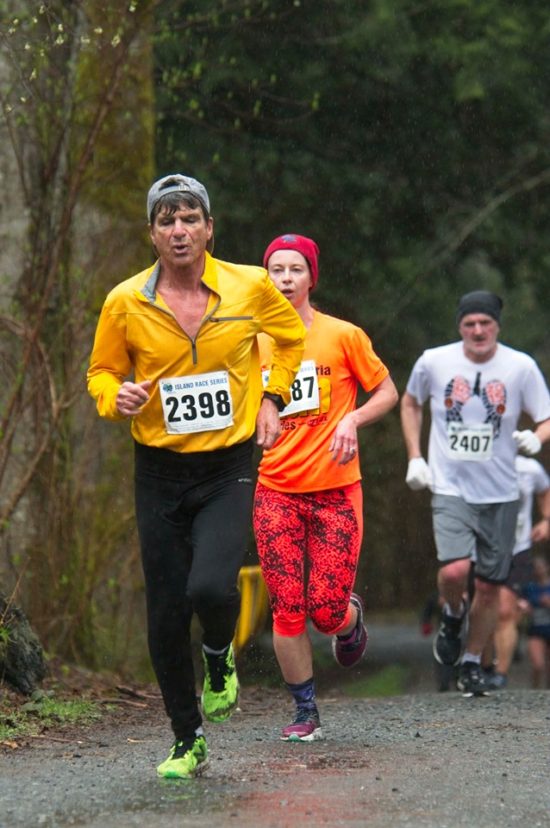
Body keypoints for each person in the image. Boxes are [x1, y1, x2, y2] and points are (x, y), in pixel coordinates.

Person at [87, 175, 305, 778]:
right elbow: (101, 373)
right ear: (152, 234)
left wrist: (271, 397)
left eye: (189, 219)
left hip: (228, 464)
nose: (178, 231)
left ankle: (218, 656)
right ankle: (188, 739)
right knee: (163, 613)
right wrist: (117, 398)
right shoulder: (125, 300)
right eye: (166, 221)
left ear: (209, 228)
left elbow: (289, 339)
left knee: (211, 587)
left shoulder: (251, 286)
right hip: (157, 470)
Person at [253, 233, 398, 741]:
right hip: (275, 488)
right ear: (265, 278)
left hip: (336, 489)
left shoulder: (343, 336)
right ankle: (305, 711)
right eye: (276, 270)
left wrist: (353, 419)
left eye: (296, 269)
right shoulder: (253, 339)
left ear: (312, 277)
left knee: (325, 609)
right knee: (287, 605)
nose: (286, 278)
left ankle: (349, 617)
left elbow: (387, 391)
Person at [400, 289, 550, 697]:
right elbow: (410, 402)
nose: (478, 330)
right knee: (454, 571)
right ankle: (451, 615)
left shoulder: (520, 367)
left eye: (485, 323)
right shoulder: (434, 361)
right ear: (459, 326)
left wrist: (537, 439)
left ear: (497, 325)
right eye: (470, 324)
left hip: (501, 492)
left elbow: (546, 417)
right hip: (450, 487)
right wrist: (416, 456)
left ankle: (471, 663)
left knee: (488, 586)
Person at [483, 456, 550, 689]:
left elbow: (545, 490)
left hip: (518, 548)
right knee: (483, 606)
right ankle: (482, 664)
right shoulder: (481, 462)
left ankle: (500, 674)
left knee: (505, 610)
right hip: (484, 545)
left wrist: (546, 520)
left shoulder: (530, 468)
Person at [521, 553, 550, 688]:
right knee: (538, 665)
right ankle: (535, 690)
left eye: (540, 567)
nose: (538, 570)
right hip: (535, 629)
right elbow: (520, 603)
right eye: (535, 567)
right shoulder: (529, 587)